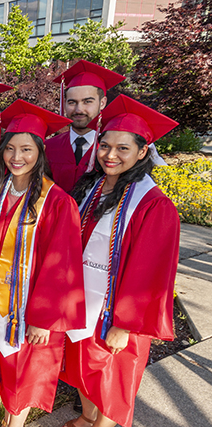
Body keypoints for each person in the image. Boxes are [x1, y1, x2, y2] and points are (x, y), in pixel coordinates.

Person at [61, 95, 180, 427]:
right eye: (105, 146)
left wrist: (125, 325)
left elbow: (150, 275)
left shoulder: (153, 205)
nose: (110, 155)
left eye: (123, 148)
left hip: (118, 314)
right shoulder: (92, 189)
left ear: (142, 152)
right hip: (83, 301)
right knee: (84, 366)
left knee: (113, 377)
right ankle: (87, 416)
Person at [0, 100, 85, 427]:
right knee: (8, 373)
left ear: (41, 153)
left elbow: (61, 268)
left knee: (25, 376)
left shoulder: (58, 203)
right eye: (10, 149)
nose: (16, 157)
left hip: (31, 311)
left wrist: (44, 320)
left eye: (26, 150)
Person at [45, 60, 125, 193]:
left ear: (102, 102)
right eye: (72, 102)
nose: (78, 109)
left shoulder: (115, 152)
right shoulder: (48, 148)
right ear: (64, 103)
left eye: (87, 101)